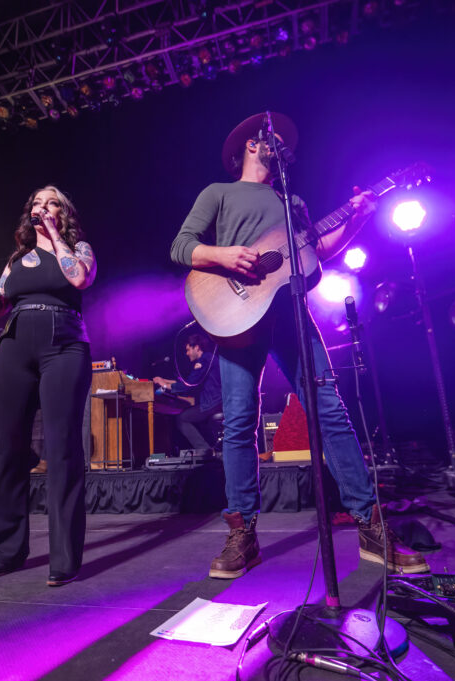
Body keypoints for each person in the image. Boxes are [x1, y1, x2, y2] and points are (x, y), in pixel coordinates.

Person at [170, 112, 429, 578]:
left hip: (291, 311)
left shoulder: (294, 202)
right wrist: (225, 254)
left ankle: (371, 526)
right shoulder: (220, 193)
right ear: (250, 145)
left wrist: (359, 218)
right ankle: (243, 534)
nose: (277, 144)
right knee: (240, 422)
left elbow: (318, 250)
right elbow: (181, 246)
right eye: (269, 138)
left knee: (328, 410)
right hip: (238, 314)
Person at [0, 185, 96, 587]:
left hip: (64, 344)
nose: (42, 207)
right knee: (8, 450)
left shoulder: (79, 248)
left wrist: (55, 234)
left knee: (62, 447)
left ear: (63, 212)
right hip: (15, 345)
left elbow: (80, 279)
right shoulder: (18, 259)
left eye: (51, 202)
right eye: (36, 203)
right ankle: (4, 551)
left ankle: (65, 558)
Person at [152, 333, 222, 452]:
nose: (187, 353)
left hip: (212, 403)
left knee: (181, 418)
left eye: (188, 349)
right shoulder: (208, 358)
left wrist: (163, 385)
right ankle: (208, 449)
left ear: (197, 347)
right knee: (188, 415)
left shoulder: (204, 361)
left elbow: (188, 386)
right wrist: (164, 381)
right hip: (215, 401)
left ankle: (205, 451)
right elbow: (189, 382)